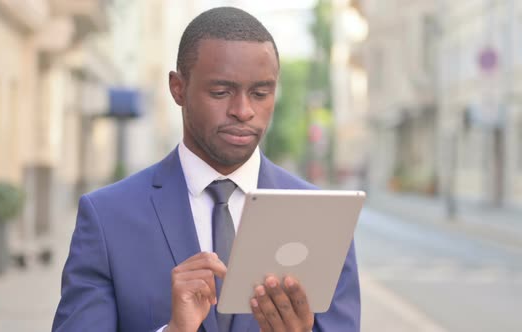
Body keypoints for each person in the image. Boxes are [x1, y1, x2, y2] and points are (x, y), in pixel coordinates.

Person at [52, 6, 360, 332]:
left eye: (260, 93)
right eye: (221, 92)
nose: (243, 111)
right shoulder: (107, 217)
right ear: (178, 89)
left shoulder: (324, 218)